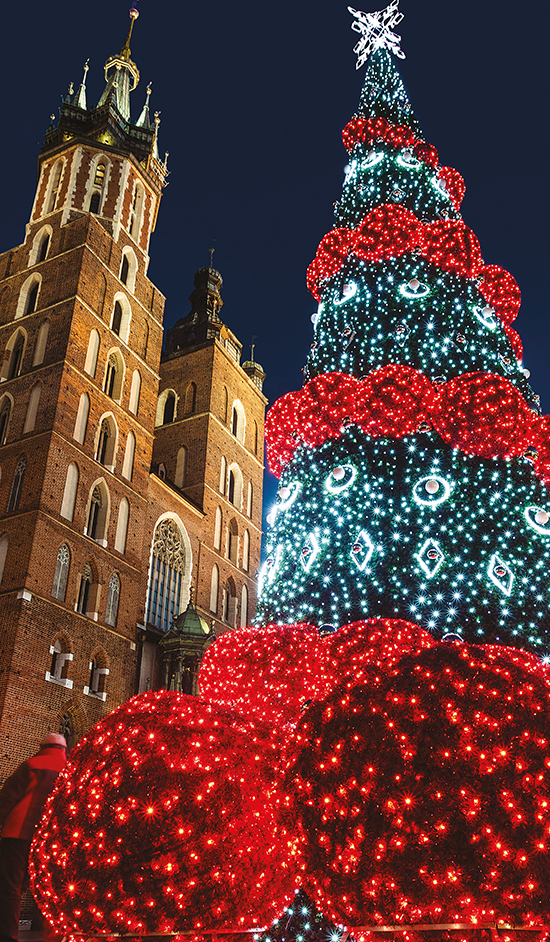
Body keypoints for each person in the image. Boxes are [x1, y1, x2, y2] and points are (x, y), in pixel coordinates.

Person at [0, 733, 67, 942]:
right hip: (48, 838)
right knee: (44, 886)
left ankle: (8, 934)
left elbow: (8, 797)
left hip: (17, 833)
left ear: (42, 746)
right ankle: (41, 931)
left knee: (11, 885)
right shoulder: (70, 771)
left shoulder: (32, 764)